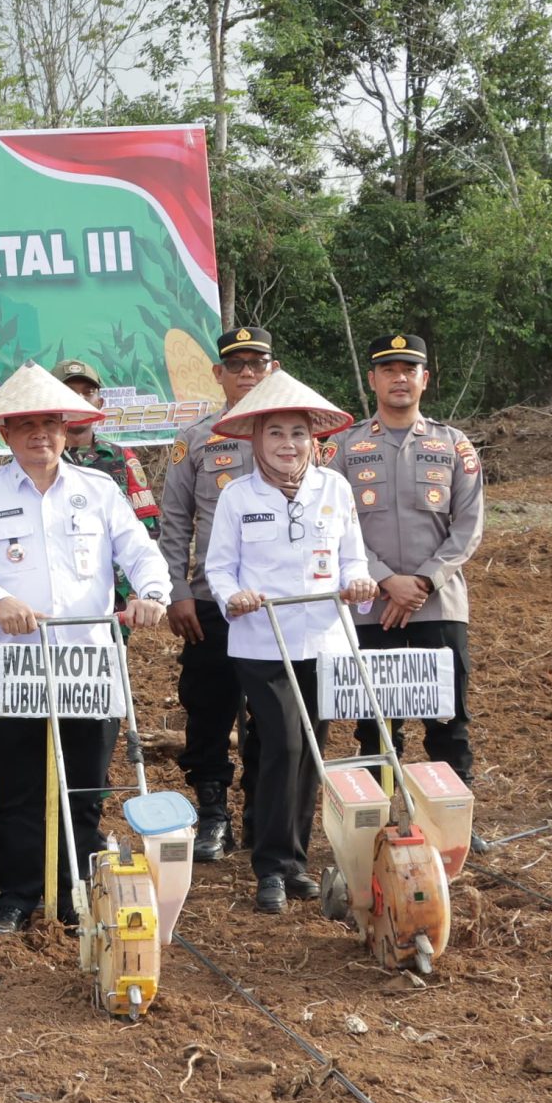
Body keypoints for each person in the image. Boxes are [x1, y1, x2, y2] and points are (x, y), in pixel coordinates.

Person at [0, 363, 171, 936]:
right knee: (18, 787)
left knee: (88, 786)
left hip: (88, 661)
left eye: (50, 422)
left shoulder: (98, 490)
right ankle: (15, 896)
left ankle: (76, 893)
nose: (39, 434)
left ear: (67, 429)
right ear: (6, 433)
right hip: (18, 662)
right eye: (26, 424)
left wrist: (151, 593)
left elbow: (140, 551)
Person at [200, 376, 377, 913]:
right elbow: (218, 569)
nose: (287, 443)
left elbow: (353, 557)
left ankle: (296, 863)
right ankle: (271, 868)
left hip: (323, 636)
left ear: (314, 440)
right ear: (255, 439)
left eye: (297, 433)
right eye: (274, 432)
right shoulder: (236, 495)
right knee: (284, 742)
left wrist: (361, 583)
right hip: (262, 640)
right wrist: (235, 597)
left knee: (312, 751)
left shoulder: (335, 489)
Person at [156, 327, 280, 863]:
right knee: (208, 710)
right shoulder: (196, 439)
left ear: (272, 369)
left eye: (257, 363)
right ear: (219, 375)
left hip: (279, 605)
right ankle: (212, 813)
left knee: (274, 713)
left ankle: (262, 812)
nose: (248, 373)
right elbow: (174, 520)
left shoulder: (294, 433)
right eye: (237, 365)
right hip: (212, 603)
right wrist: (178, 591)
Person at [343, 334, 485, 778]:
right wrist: (386, 579)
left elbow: (469, 524)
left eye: (408, 370)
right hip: (371, 607)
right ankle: (378, 829)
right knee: (376, 727)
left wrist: (422, 581)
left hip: (437, 605)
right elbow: (331, 526)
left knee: (448, 723)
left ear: (425, 379)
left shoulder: (453, 444)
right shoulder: (342, 449)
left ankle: (450, 823)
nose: (399, 378)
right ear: (372, 380)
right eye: (388, 370)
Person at [55, 360, 161, 539]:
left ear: (100, 402)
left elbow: (147, 530)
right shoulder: (37, 460)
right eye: (69, 392)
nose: (80, 399)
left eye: (88, 392)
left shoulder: (121, 458)